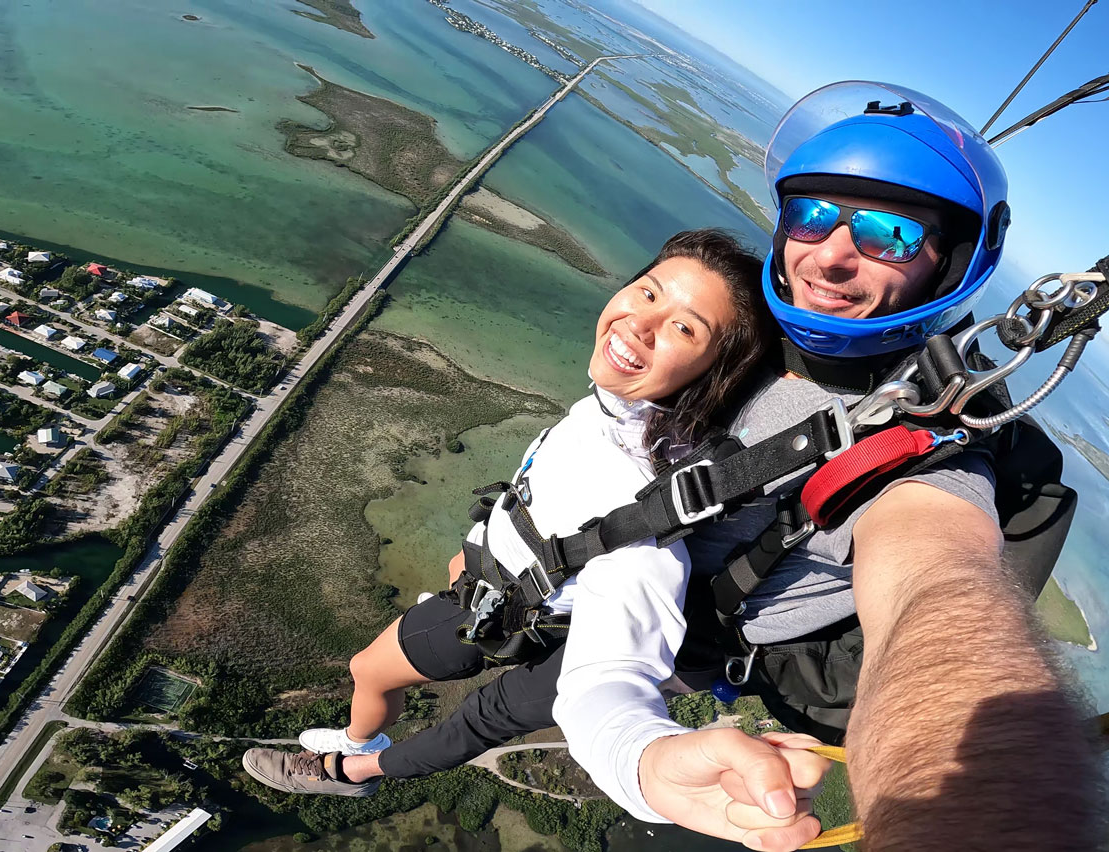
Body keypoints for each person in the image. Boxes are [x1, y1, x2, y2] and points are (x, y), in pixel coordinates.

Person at [247, 83, 1102, 851]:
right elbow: (608, 433)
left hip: (678, 633)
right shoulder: (750, 344)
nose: (831, 254)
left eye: (889, 232)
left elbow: (937, 586)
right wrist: (496, 542)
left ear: (947, 266)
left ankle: (356, 772)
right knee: (441, 661)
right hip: (563, 580)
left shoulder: (924, 446)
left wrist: (966, 809)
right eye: (812, 217)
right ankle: (371, 743)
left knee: (493, 717)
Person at [242, 229, 837, 848]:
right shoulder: (624, 415)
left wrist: (639, 762)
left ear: (714, 372)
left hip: (512, 611)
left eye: (686, 329)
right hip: (520, 599)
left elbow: (616, 666)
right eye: (648, 291)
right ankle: (358, 763)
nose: (641, 324)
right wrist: (479, 547)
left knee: (373, 672)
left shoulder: (638, 493)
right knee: (483, 716)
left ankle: (354, 759)